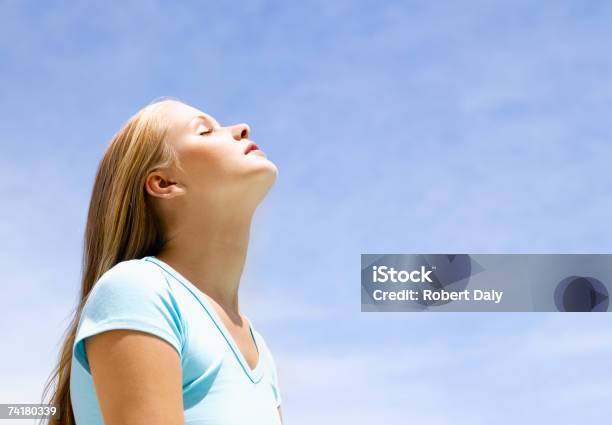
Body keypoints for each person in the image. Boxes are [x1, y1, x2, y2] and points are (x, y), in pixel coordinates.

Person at [41, 98, 283, 425]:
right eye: (205, 131)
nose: (241, 129)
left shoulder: (260, 349)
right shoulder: (139, 291)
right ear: (163, 183)